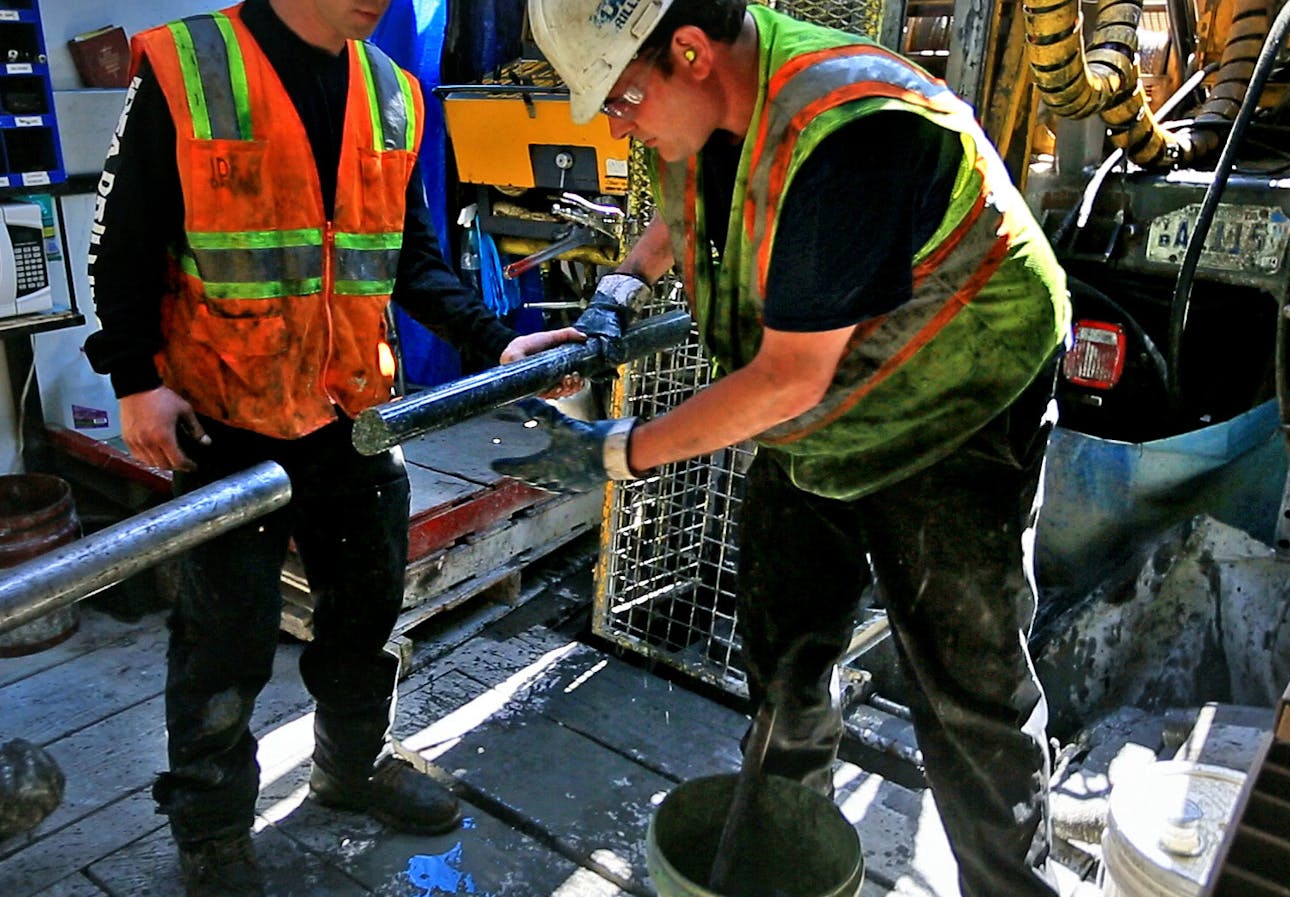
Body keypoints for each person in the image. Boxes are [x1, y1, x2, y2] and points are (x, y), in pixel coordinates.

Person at [495, 1, 1071, 895]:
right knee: (786, 651)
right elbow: (690, 199)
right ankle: (781, 856)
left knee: (968, 693)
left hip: (958, 403)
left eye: (621, 100)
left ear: (689, 52)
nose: (619, 121)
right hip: (830, 412)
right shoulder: (705, 101)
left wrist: (616, 451)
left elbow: (784, 381)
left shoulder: (851, 134)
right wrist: (612, 295)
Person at [82, 1, 580, 895]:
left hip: (353, 417)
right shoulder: (194, 67)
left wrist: (492, 339)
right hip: (221, 417)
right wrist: (130, 378)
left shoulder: (391, 91)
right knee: (221, 640)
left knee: (365, 614)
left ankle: (349, 765)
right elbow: (120, 241)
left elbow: (407, 254)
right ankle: (212, 826)